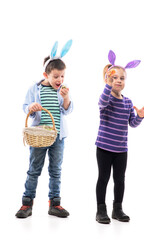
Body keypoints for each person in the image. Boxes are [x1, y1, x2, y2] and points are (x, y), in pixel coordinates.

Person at [16, 40, 73, 218]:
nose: (60, 80)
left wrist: (66, 97)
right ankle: (27, 203)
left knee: (56, 170)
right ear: (46, 74)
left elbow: (67, 110)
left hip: (58, 137)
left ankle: (54, 204)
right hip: (39, 135)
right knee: (34, 169)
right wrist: (31, 107)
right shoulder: (35, 89)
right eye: (56, 76)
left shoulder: (62, 90)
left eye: (62, 76)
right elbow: (26, 107)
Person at [95, 50, 144, 224]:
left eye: (121, 78)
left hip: (121, 150)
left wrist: (139, 116)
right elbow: (102, 101)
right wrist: (107, 85)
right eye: (114, 78)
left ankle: (117, 209)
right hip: (104, 148)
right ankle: (100, 210)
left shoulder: (127, 102)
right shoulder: (107, 99)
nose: (118, 81)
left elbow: (132, 123)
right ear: (107, 80)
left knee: (120, 180)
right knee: (103, 178)